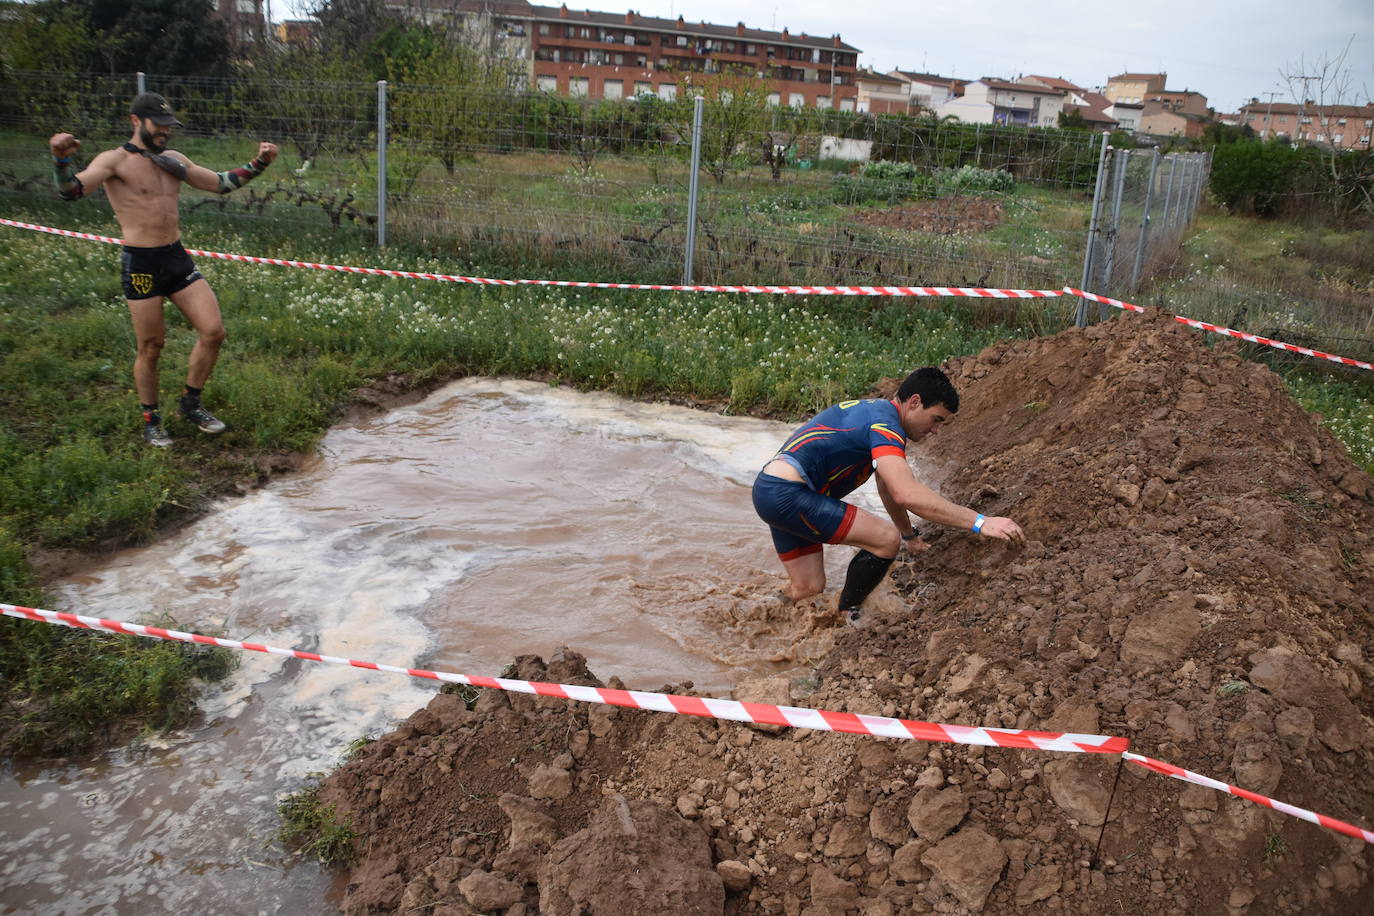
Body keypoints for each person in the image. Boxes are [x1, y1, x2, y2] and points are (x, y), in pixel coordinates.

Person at [50, 92, 279, 447]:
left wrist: (260, 162)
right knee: (152, 346)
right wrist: (60, 161)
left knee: (214, 331)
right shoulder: (113, 161)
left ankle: (190, 403)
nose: (165, 133)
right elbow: (70, 191)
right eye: (159, 126)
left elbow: (220, 183)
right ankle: (152, 420)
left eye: (170, 127)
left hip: (175, 258)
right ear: (136, 121)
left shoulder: (173, 160)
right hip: (140, 264)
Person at [752, 367, 1025, 624]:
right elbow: (907, 493)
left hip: (773, 491)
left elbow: (887, 486)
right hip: (788, 494)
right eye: (936, 419)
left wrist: (909, 536)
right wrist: (981, 522)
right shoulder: (886, 425)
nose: (936, 430)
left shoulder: (877, 415)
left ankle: (755, 615)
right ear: (914, 402)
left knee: (808, 589)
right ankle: (848, 619)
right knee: (885, 539)